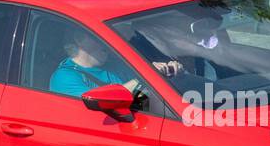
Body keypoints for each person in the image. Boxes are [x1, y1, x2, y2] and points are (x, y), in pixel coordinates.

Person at [49, 31, 181, 97]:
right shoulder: (64, 77)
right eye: (101, 37)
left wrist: (166, 74)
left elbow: (142, 99)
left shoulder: (115, 66)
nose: (109, 46)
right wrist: (147, 77)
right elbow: (102, 104)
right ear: (79, 40)